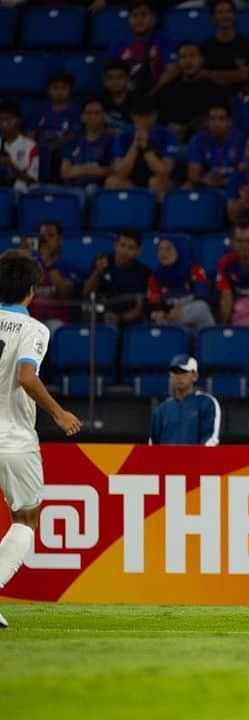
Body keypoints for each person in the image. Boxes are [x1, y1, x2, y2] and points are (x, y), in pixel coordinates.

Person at [0, 250, 82, 629]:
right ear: (32, 290)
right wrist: (59, 413)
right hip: (12, 438)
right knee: (26, 518)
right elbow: (26, 377)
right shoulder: (34, 330)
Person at [106, 97, 180, 201]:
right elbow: (120, 172)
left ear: (156, 115)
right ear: (132, 116)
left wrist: (145, 146)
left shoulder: (168, 135)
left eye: (147, 115)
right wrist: (135, 145)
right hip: (132, 181)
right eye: (139, 115)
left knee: (155, 182)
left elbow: (163, 172)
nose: (143, 120)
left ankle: (157, 216)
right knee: (112, 182)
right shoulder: (123, 135)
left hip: (160, 181)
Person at [156, 42, 226, 141]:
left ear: (201, 59)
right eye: (183, 57)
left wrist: (187, 129)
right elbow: (157, 116)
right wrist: (169, 127)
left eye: (193, 56)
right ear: (178, 62)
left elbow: (218, 120)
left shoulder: (213, 89)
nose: (188, 61)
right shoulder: (169, 88)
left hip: (201, 142)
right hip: (170, 141)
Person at [82, 229, 151, 326]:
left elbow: (139, 309)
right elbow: (86, 292)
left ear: (138, 251)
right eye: (122, 245)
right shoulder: (101, 262)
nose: (125, 251)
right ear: (115, 245)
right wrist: (98, 271)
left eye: (130, 248)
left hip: (126, 322)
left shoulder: (143, 272)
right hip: (98, 318)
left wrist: (120, 318)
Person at [149, 355, 221, 446]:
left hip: (198, 459)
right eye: (175, 372)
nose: (179, 376)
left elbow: (210, 439)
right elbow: (153, 444)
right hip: (166, 460)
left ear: (195, 376)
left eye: (183, 372)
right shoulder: (161, 410)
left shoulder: (207, 403)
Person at [109, 0, 177, 96]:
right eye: (135, 15)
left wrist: (151, 93)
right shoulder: (119, 44)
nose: (139, 20)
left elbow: (172, 70)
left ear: (153, 18)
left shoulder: (165, 39)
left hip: (159, 94)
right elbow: (111, 75)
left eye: (144, 15)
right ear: (128, 19)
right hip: (127, 97)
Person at [146, 237, 215, 331]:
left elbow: (204, 296)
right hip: (168, 317)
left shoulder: (194, 270)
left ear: (178, 250)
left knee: (201, 307)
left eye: (168, 249)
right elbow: (153, 304)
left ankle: (209, 341)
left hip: (191, 314)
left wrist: (181, 307)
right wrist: (166, 312)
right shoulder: (155, 277)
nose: (163, 253)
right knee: (155, 316)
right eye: (160, 249)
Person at [27, 222, 81, 330]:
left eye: (51, 236)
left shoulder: (68, 267)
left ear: (60, 240)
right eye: (42, 237)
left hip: (57, 321)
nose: (45, 241)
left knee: (53, 329)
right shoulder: (30, 265)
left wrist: (49, 264)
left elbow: (64, 293)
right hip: (29, 320)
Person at [186, 104, 244, 190]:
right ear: (207, 123)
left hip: (232, 187)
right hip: (205, 186)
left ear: (229, 122)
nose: (217, 124)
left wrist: (224, 181)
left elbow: (243, 173)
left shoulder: (240, 139)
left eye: (221, 119)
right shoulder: (198, 140)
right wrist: (205, 181)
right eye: (212, 119)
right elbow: (193, 175)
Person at [60, 99, 113, 192]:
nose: (92, 117)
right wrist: (90, 170)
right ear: (82, 117)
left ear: (104, 116)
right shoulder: (73, 140)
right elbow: (65, 172)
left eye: (97, 113)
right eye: (88, 113)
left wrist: (79, 170)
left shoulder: (111, 140)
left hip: (100, 190)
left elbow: (113, 171)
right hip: (73, 190)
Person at [35, 72, 79, 181]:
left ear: (70, 90)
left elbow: (74, 135)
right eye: (55, 88)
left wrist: (56, 145)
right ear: (49, 90)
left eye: (64, 88)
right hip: (42, 150)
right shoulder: (40, 111)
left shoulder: (75, 112)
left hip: (64, 151)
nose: (59, 92)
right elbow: (31, 134)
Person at [0, 101, 39, 194]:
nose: (4, 123)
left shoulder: (31, 146)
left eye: (8, 119)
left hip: (19, 195)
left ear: (19, 120)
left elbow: (33, 181)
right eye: (1, 120)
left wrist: (11, 165)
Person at [99, 60, 135, 134]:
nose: (115, 81)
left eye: (120, 77)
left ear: (128, 78)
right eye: (110, 77)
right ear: (104, 80)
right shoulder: (98, 101)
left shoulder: (138, 101)